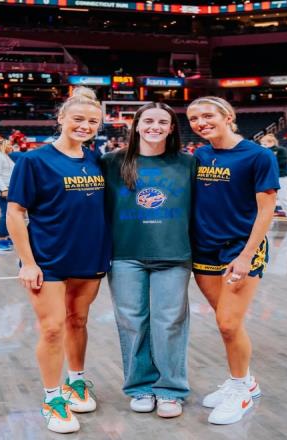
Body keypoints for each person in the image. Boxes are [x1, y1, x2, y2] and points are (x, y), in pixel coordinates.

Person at [6, 87, 111, 434]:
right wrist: (27, 262)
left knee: (78, 320)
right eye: (78, 119)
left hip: (90, 255)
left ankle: (75, 380)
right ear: (61, 118)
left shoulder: (96, 159)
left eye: (92, 122)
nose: (85, 126)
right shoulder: (34, 161)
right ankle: (52, 398)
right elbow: (15, 212)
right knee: (52, 328)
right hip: (47, 259)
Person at [186, 96, 279, 425]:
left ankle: (240, 391)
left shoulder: (259, 156)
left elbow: (266, 211)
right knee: (227, 322)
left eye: (207, 115)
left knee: (227, 323)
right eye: (194, 118)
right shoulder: (200, 155)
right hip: (204, 248)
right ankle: (246, 381)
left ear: (227, 116)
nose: (201, 122)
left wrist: (246, 255)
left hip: (239, 249)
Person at [101, 103, 195, 418]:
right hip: (126, 255)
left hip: (173, 254)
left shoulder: (187, 163)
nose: (155, 127)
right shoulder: (112, 162)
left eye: (162, 122)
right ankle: (140, 386)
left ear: (171, 128)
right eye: (149, 121)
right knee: (132, 323)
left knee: (169, 323)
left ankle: (171, 390)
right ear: (137, 125)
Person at [260, 134, 287, 228]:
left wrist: (267, 153)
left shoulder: (281, 150)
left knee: (284, 198)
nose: (262, 144)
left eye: (264, 142)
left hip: (281, 177)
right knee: (268, 199)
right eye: (262, 143)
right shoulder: (262, 152)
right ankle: (269, 219)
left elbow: (281, 163)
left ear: (271, 142)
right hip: (268, 177)